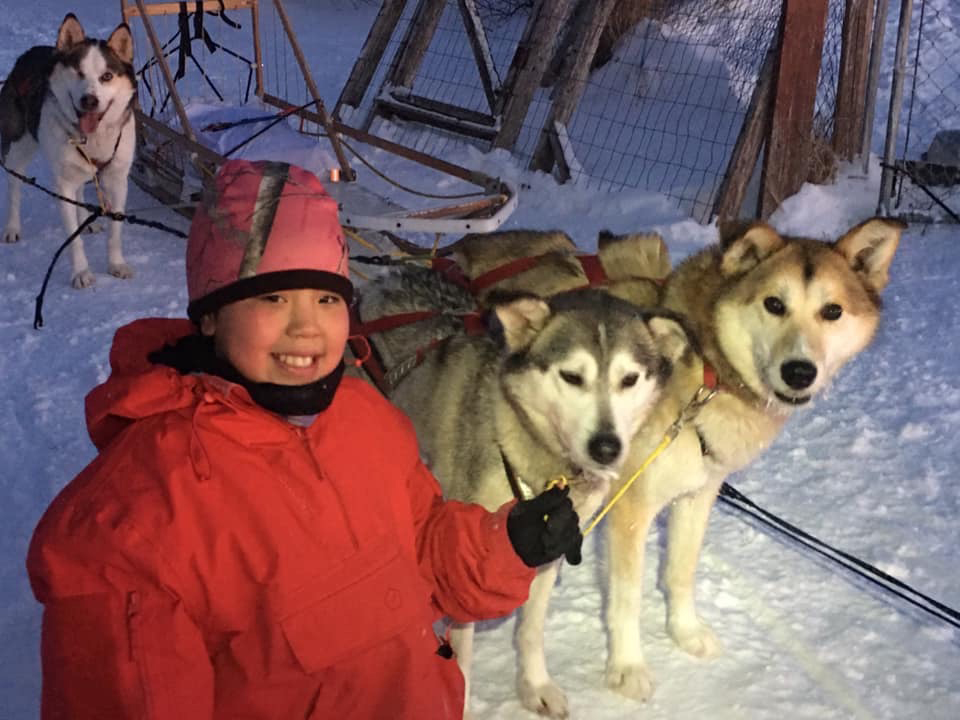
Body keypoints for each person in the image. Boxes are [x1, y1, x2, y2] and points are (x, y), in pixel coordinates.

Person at [26, 159, 583, 719]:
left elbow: (420, 548)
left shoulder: (362, 417)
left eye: (327, 299)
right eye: (273, 298)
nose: (307, 327)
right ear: (212, 316)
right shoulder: (131, 525)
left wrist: (506, 546)